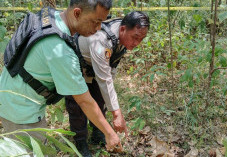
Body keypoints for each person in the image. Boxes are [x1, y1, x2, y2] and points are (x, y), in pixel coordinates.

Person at [0, 0, 122, 154]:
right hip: (21, 113)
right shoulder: (60, 50)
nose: (98, 29)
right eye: (95, 22)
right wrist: (110, 133)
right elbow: (84, 100)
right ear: (77, 13)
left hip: (9, 95)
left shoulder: (50, 16)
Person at [65, 11, 150, 156]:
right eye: (135, 38)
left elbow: (111, 67)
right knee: (78, 106)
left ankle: (98, 132)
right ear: (123, 29)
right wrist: (117, 113)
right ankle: (80, 141)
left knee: (100, 100)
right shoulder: (101, 40)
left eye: (141, 39)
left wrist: (111, 104)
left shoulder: (123, 38)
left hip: (94, 67)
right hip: (75, 64)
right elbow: (105, 78)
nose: (136, 43)